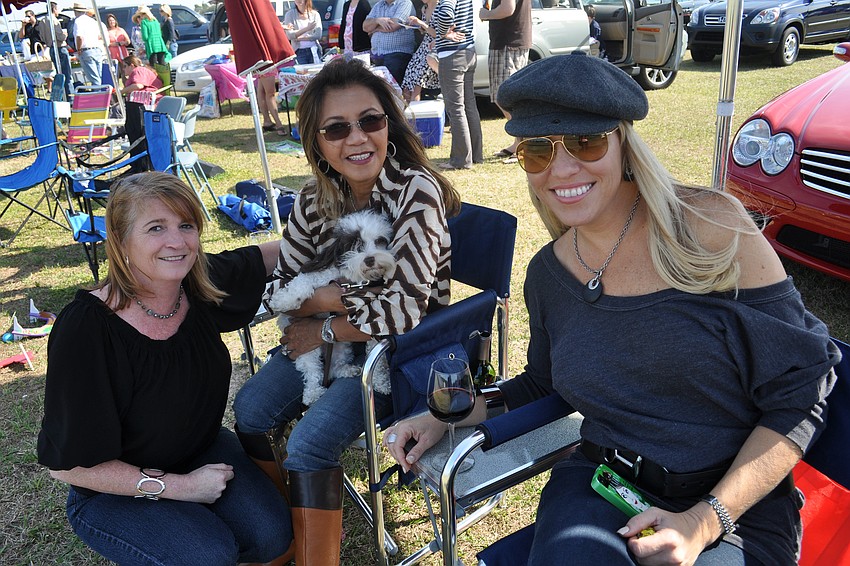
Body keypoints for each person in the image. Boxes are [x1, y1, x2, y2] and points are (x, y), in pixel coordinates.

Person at [384, 52, 842, 566]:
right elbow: (542, 385)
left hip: (732, 508)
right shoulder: (548, 274)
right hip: (601, 484)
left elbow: (804, 390)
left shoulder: (712, 230)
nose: (562, 169)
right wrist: (445, 417)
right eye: (537, 150)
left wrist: (703, 521)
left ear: (624, 144)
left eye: (586, 142)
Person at [232, 58, 461, 565]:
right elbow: (280, 287)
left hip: (396, 353)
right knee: (250, 409)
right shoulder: (313, 198)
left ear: (389, 124)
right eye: (336, 128)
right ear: (317, 142)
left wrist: (324, 318)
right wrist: (328, 303)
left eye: (370, 120)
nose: (357, 138)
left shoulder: (416, 191)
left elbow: (403, 312)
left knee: (309, 444)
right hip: (330, 337)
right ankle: (280, 538)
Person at [36, 171, 294, 565]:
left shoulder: (195, 283)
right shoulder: (86, 329)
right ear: (121, 239)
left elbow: (267, 255)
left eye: (186, 225)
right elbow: (68, 468)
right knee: (209, 556)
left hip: (201, 449)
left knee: (273, 537)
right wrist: (181, 487)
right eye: (156, 228)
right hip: (112, 486)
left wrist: (339, 233)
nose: (177, 242)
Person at [434, 0, 483, 170]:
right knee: (469, 106)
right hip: (468, 50)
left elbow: (446, 13)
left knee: (455, 108)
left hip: (452, 54)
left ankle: (461, 160)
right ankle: (475, 155)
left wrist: (443, 33)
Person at [480, 0, 531, 160]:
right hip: (511, 42)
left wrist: (486, 14)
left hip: (508, 44)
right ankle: (519, 142)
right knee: (508, 97)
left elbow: (507, 9)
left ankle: (524, 143)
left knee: (504, 97)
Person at [363, 0, 416, 86]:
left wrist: (375, 28)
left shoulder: (405, 3)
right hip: (377, 55)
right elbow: (365, 27)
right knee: (379, 89)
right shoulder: (378, 5)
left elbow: (393, 25)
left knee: (392, 89)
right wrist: (377, 20)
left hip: (397, 55)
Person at [400, 0, 440, 102]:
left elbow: (439, 34)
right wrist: (418, 27)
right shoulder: (425, 9)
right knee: (409, 76)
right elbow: (426, 31)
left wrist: (421, 23)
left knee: (417, 81)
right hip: (424, 47)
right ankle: (408, 105)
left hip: (434, 47)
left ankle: (415, 106)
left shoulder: (441, 8)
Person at [36, 2, 72, 98]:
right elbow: (60, 37)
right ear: (54, 9)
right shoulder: (54, 20)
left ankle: (64, 95)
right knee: (67, 75)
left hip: (51, 48)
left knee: (59, 74)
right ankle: (70, 96)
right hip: (60, 48)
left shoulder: (42, 21)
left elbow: (42, 37)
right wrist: (65, 35)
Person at [72, 2, 104, 86]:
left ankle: (98, 93)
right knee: (99, 76)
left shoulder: (78, 21)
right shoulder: (92, 21)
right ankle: (101, 91)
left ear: (75, 12)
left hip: (86, 50)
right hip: (97, 49)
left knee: (94, 78)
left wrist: (79, 49)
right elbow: (99, 36)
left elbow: (79, 37)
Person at [283, 0, 323, 65]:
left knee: (316, 71)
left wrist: (299, 38)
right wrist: (307, 28)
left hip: (314, 50)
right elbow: (290, 35)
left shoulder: (315, 14)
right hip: (298, 51)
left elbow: (318, 35)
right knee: (301, 71)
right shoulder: (290, 14)